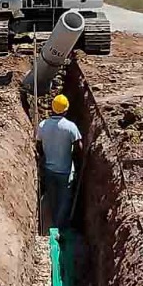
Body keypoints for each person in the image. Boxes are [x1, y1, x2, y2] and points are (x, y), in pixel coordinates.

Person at [35, 94, 83, 228]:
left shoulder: (43, 125)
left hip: (49, 170)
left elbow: (38, 146)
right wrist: (76, 160)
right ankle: (60, 226)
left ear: (52, 109)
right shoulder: (70, 127)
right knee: (65, 200)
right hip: (65, 171)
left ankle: (52, 223)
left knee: (52, 198)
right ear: (66, 110)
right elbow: (79, 148)